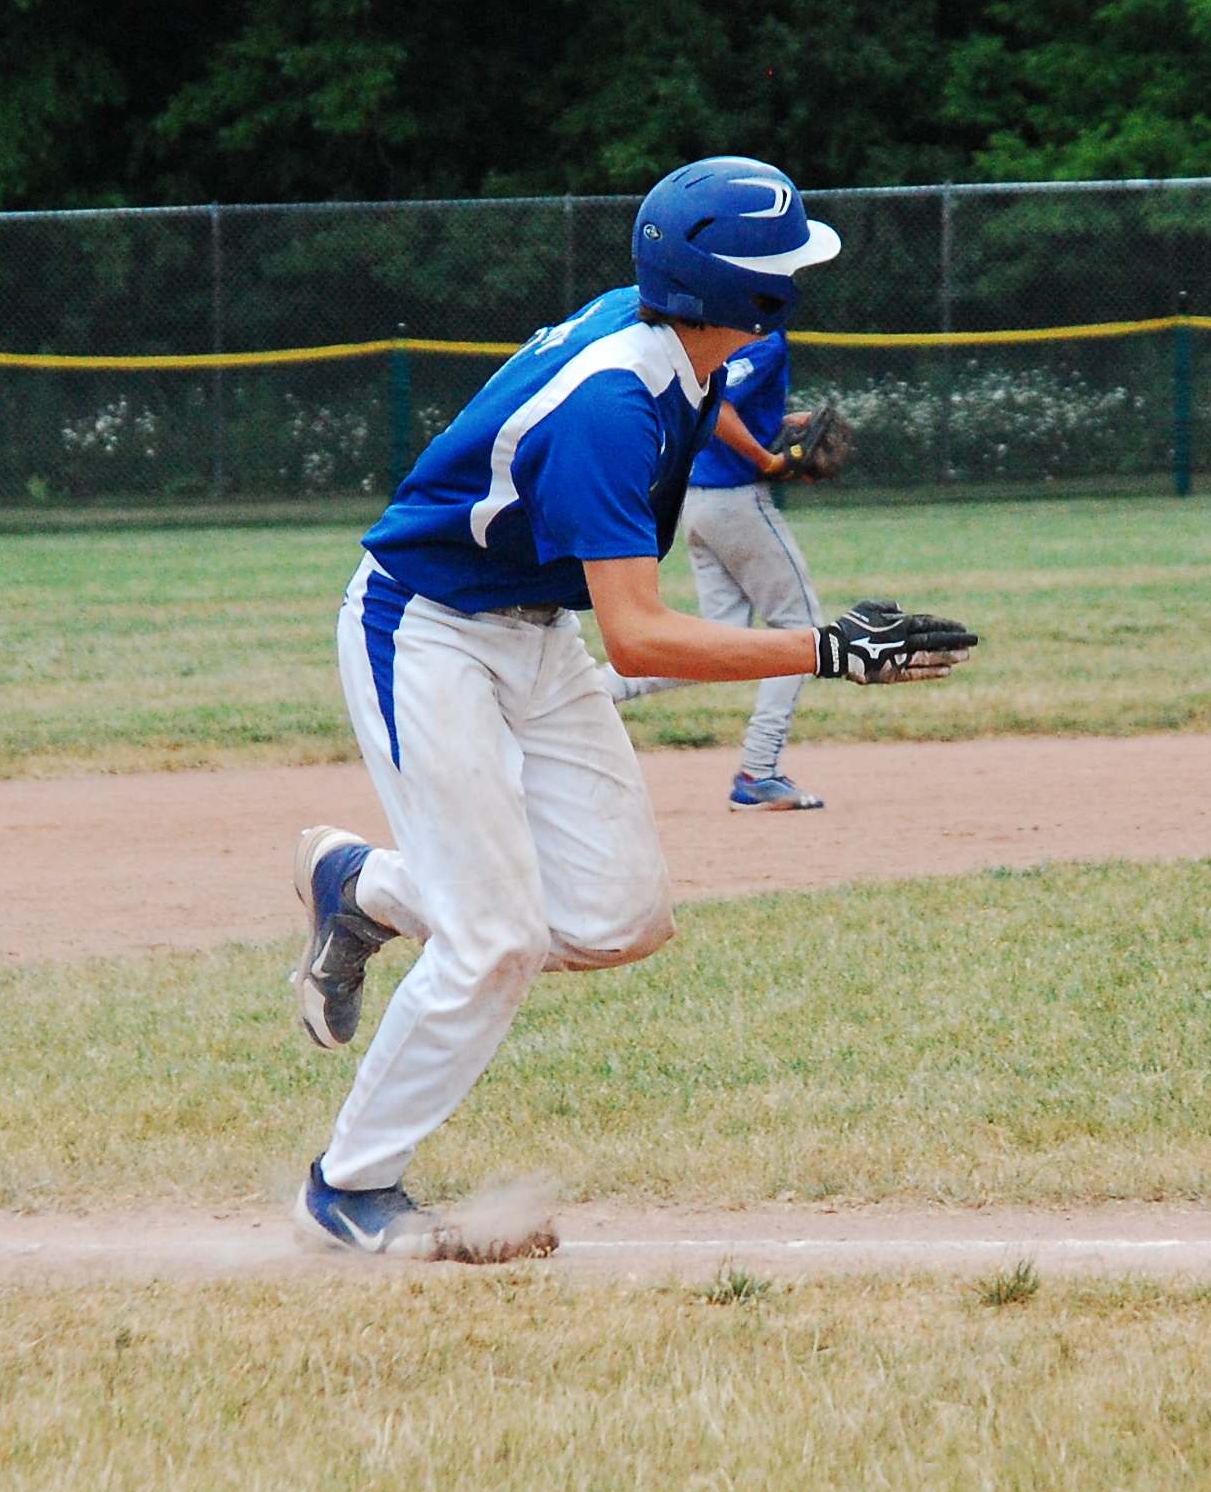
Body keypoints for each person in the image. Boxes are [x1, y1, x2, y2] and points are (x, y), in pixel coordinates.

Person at [287, 155, 981, 1260]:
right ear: (749, 294)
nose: (796, 279)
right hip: (425, 631)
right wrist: (830, 649)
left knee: (619, 915)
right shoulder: (614, 403)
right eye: (784, 266)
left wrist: (775, 451)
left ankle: (363, 887)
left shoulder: (684, 349)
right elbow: (641, 637)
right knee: (493, 939)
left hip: (531, 630)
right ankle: (349, 1186)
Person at [595, 326, 834, 810]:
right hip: (735, 501)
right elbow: (721, 407)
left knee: (715, 640)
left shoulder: (711, 332)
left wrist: (774, 424)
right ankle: (759, 771)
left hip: (698, 500)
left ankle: (593, 690)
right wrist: (767, 458)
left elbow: (713, 401)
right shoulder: (763, 338)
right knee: (802, 627)